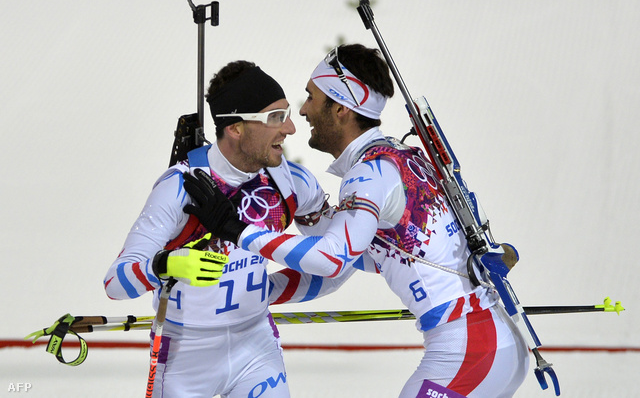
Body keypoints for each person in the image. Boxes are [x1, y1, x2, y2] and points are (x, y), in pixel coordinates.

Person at [183, 45, 531, 397]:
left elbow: (332, 260)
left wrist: (237, 230)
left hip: (469, 349)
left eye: (311, 97)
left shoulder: (368, 175)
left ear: (340, 109)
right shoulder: (397, 157)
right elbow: (356, 260)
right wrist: (253, 292)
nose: (303, 112)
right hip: (490, 341)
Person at [104, 60, 352, 397]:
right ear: (235, 128)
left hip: (257, 349)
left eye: (287, 113)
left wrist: (262, 292)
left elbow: (337, 261)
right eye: (275, 118)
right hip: (185, 358)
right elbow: (115, 282)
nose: (291, 128)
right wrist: (166, 265)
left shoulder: (290, 181)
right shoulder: (179, 188)